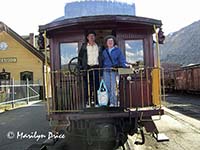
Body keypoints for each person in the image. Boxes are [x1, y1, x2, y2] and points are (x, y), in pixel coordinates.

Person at [78, 31, 102, 106]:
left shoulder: (99, 46)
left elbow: (103, 57)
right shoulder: (84, 47)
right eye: (90, 36)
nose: (91, 37)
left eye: (93, 36)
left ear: (95, 37)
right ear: (87, 38)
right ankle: (87, 102)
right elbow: (80, 58)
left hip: (96, 68)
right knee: (86, 86)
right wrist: (81, 67)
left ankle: (96, 102)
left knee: (96, 86)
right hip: (87, 68)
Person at [102, 35, 127, 107]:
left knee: (113, 87)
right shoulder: (104, 51)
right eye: (108, 41)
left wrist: (125, 66)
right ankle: (108, 102)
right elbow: (102, 61)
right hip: (106, 70)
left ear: (113, 42)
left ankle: (113, 103)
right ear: (106, 43)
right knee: (107, 87)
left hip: (114, 71)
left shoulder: (118, 50)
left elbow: (122, 59)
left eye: (111, 41)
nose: (110, 42)